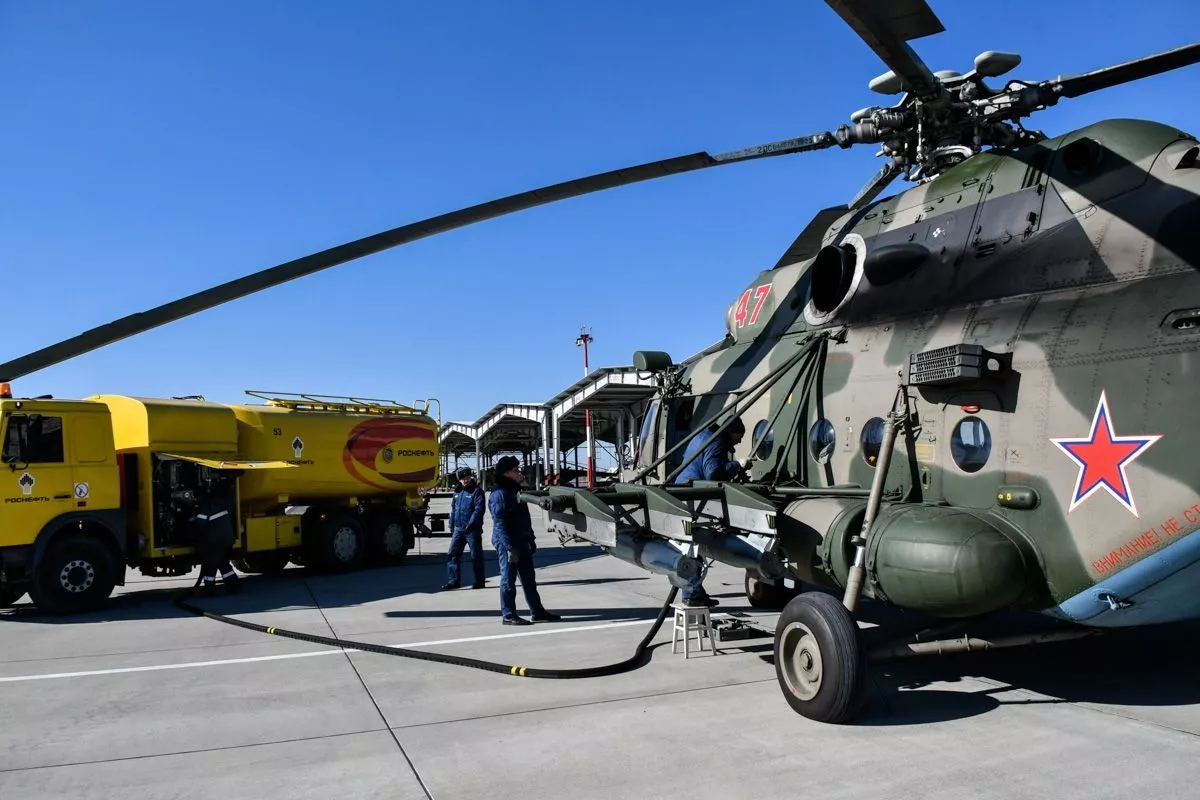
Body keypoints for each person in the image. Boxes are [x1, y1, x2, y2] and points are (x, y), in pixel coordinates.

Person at [672, 417, 750, 607]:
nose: (739, 442)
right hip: (693, 497)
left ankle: (693, 591)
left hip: (684, 492)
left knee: (691, 546)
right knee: (692, 547)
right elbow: (713, 474)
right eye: (739, 437)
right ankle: (692, 593)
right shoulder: (717, 442)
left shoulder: (704, 435)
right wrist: (738, 465)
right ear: (732, 432)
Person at [488, 455, 560, 625]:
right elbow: (500, 524)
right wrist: (509, 547)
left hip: (522, 540)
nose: (519, 472)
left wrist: (531, 538)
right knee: (508, 580)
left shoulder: (515, 491)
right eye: (515, 470)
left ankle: (538, 612)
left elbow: (524, 518)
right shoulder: (499, 494)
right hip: (508, 543)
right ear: (506, 473)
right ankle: (508, 615)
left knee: (529, 579)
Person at [190, 486, 240, 597]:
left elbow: (199, 524)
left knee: (210, 567)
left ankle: (209, 589)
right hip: (227, 541)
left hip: (215, 543)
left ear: (199, 497)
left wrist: (191, 523)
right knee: (224, 565)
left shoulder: (205, 506)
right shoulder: (219, 503)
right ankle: (234, 585)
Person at [442, 466, 486, 591]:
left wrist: (470, 524)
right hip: (458, 529)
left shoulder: (477, 491)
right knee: (452, 554)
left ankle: (479, 581)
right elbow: (454, 509)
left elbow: (479, 510)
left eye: (467, 478)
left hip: (472, 530)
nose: (465, 481)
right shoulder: (457, 492)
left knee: (476, 556)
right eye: (462, 479)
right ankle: (453, 581)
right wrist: (451, 524)